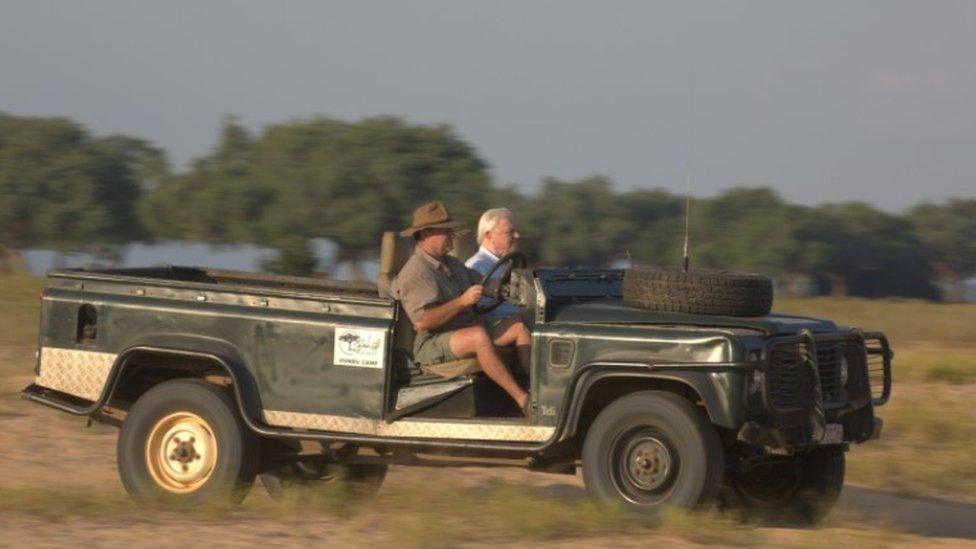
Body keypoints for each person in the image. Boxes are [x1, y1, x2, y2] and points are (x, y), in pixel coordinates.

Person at [392, 201, 532, 413]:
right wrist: (462, 301)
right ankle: (522, 400)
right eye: (446, 232)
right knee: (478, 336)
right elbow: (423, 322)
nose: (452, 236)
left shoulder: (453, 264)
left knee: (518, 327)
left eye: (452, 231)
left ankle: (537, 389)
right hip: (433, 342)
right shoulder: (416, 272)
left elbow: (485, 284)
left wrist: (519, 288)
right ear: (426, 233)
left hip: (464, 330)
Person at [465, 208, 521, 319]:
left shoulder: (506, 264)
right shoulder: (475, 265)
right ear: (489, 235)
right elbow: (475, 310)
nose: (517, 236)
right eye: (509, 232)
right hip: (497, 325)